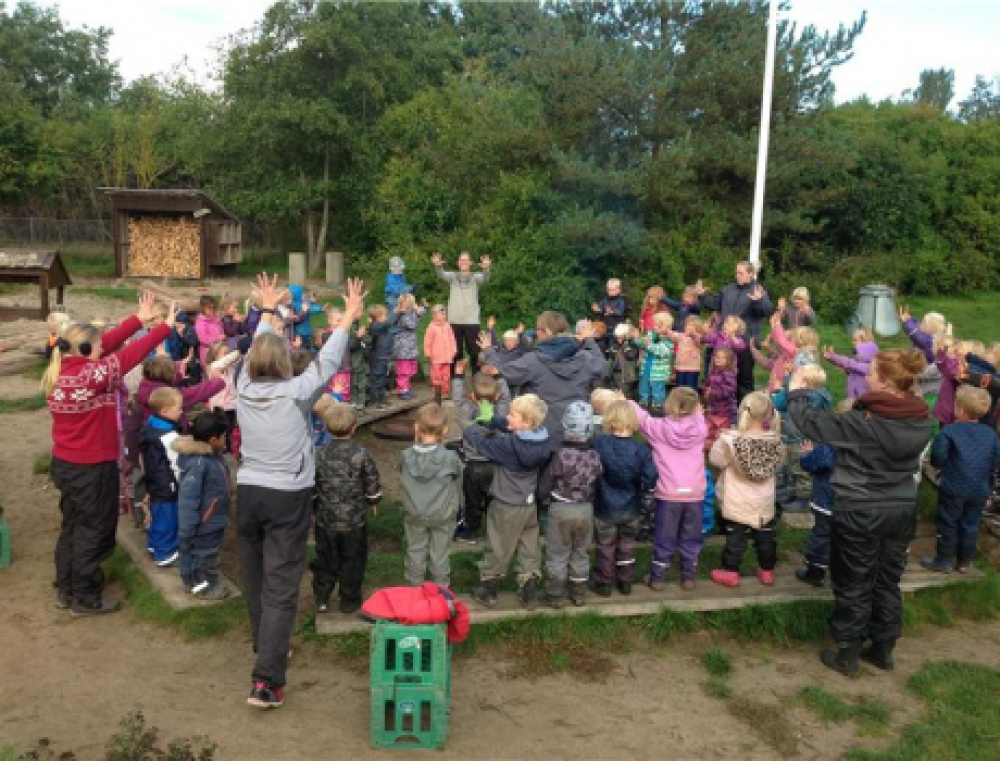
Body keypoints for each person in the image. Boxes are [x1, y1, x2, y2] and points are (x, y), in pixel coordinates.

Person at [236, 273, 364, 709]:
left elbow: (257, 347)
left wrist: (268, 312)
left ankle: (266, 645)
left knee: (254, 576)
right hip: (286, 496)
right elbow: (327, 363)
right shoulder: (296, 392)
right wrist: (346, 317)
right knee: (280, 583)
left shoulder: (241, 383)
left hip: (249, 492)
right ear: (286, 364)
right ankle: (266, 681)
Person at [787, 349, 934, 677]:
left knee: (853, 580)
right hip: (901, 509)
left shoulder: (863, 423)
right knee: (887, 579)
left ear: (883, 381)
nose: (865, 376)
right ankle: (883, 649)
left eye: (871, 372)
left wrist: (797, 390)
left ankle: (848, 653)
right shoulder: (921, 418)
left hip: (861, 510)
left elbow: (812, 423)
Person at [44, 292, 175, 616]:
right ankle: (85, 597)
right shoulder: (90, 378)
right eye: (99, 346)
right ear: (87, 351)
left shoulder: (62, 371)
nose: (105, 347)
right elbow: (128, 357)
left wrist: (138, 320)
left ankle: (67, 586)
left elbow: (107, 346)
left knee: (73, 525)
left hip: (65, 463)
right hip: (91, 467)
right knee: (95, 530)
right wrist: (163, 329)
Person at [464, 394, 551, 610]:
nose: (508, 418)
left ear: (527, 422)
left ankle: (489, 590)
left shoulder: (508, 446)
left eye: (512, 415)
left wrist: (472, 426)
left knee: (497, 546)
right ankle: (528, 591)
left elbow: (482, 444)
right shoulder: (542, 439)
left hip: (506, 504)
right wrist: (495, 420)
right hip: (528, 504)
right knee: (529, 546)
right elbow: (514, 430)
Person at [481, 311, 606, 446]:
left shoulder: (533, 361)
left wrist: (488, 351)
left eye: (537, 329)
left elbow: (504, 372)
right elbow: (602, 368)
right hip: (578, 435)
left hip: (541, 436)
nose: (536, 333)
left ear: (543, 332)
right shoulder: (585, 358)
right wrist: (589, 341)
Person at [632, 387, 708, 591]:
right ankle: (688, 577)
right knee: (691, 536)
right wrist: (697, 412)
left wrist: (627, 402)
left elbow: (642, 419)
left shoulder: (659, 429)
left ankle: (657, 578)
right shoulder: (701, 428)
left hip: (669, 493)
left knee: (665, 536)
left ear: (670, 404)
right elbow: (698, 416)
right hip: (694, 493)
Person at [920, 387, 1000, 573]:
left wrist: (940, 465)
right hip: (980, 488)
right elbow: (996, 460)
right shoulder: (990, 434)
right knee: (971, 523)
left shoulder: (949, 432)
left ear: (960, 409)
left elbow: (938, 457)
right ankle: (965, 562)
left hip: (953, 485)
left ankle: (944, 560)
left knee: (948, 521)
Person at [709, 392, 784, 588]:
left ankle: (730, 572)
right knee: (766, 537)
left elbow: (715, 461)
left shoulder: (731, 442)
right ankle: (767, 571)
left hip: (737, 501)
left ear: (743, 412)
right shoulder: (776, 441)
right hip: (764, 502)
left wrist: (720, 439)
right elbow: (778, 466)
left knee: (736, 539)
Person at [311, 403, 381, 614]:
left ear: (325, 426)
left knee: (325, 558)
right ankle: (349, 600)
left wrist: (313, 505)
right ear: (354, 426)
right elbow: (371, 481)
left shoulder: (319, 453)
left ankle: (322, 597)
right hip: (354, 521)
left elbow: (312, 483)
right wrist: (373, 500)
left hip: (326, 520)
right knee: (353, 560)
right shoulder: (361, 453)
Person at [537, 402, 603, 608]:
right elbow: (599, 478)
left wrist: (541, 497)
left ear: (565, 427)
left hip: (561, 509)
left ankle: (555, 594)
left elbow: (547, 482)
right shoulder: (595, 456)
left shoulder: (561, 455)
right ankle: (578, 592)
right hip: (585, 509)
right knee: (580, 551)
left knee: (557, 552)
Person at [591, 400, 658, 597]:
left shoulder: (600, 444)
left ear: (609, 420)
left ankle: (605, 581)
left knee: (606, 545)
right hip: (631, 507)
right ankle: (625, 580)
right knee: (627, 545)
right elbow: (650, 476)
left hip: (605, 506)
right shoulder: (642, 451)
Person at [794, 399, 855, 587]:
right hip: (852, 502)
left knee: (821, 536)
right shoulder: (864, 443)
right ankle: (846, 572)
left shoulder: (829, 443)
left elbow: (814, 464)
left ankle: (815, 572)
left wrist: (806, 454)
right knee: (848, 537)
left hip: (827, 501)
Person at [401, 403, 463, 588]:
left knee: (415, 550)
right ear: (445, 431)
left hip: (414, 513)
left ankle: (414, 590)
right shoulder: (450, 458)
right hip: (442, 514)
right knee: (440, 553)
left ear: (416, 428)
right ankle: (441, 592)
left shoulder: (405, 456)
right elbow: (459, 475)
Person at [695, 260, 774, 401]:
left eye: (741, 273)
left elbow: (766, 311)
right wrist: (702, 296)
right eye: (736, 272)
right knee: (720, 375)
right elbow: (715, 303)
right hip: (724, 339)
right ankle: (720, 409)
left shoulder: (758, 290)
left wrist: (758, 301)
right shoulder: (728, 289)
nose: (737, 275)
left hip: (745, 340)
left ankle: (744, 409)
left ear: (751, 274)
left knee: (744, 378)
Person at [175, 411, 231, 599]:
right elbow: (188, 499)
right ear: (214, 439)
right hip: (204, 522)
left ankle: (192, 583)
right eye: (224, 436)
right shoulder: (199, 463)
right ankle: (204, 588)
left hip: (211, 519)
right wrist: (187, 528)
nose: (226, 440)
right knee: (205, 557)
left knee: (199, 554)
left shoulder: (212, 457)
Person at [452, 363, 510, 544]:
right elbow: (506, 397)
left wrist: (458, 376)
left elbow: (458, 400)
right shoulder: (501, 413)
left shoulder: (467, 413)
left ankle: (470, 531)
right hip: (496, 465)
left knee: (472, 500)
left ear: (472, 397)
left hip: (473, 465)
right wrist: (499, 375)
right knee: (495, 499)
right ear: (497, 397)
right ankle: (497, 531)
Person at [138, 387, 184, 566]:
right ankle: (165, 554)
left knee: (156, 515)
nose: (181, 411)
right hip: (167, 484)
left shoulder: (149, 426)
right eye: (178, 408)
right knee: (168, 518)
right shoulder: (169, 436)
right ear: (165, 410)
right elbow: (175, 463)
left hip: (152, 479)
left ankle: (154, 545)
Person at [432, 250, 491, 373]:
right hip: (454, 321)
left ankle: (477, 378)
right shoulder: (453, 277)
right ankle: (456, 378)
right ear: (458, 263)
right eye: (461, 260)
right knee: (455, 351)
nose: (463, 262)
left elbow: (485, 279)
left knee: (475, 352)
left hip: (472, 321)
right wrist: (437, 265)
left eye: (466, 260)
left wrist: (486, 268)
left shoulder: (475, 277)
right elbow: (440, 274)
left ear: (470, 263)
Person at [633, 312, 675, 412]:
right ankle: (644, 400)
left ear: (666, 327)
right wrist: (637, 339)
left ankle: (658, 404)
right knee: (644, 385)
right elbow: (643, 342)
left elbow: (661, 352)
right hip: (647, 368)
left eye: (658, 325)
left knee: (658, 389)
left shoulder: (669, 339)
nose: (654, 327)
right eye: (654, 324)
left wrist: (649, 345)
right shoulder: (651, 334)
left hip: (658, 372)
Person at [823, 328, 879, 400]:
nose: (853, 343)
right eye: (853, 340)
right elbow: (845, 364)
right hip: (852, 397)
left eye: (855, 340)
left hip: (862, 400)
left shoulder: (869, 366)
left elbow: (849, 363)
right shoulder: (857, 362)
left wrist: (834, 357)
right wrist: (831, 358)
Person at [390, 294, 425, 401]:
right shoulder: (402, 315)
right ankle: (402, 389)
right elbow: (412, 325)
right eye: (409, 304)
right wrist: (417, 313)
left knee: (410, 369)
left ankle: (406, 387)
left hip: (409, 346)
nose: (411, 306)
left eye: (412, 303)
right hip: (403, 347)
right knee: (403, 369)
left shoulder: (410, 313)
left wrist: (418, 311)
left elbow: (420, 315)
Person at [704, 347, 738, 452]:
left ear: (729, 361)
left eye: (723, 358)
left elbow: (729, 391)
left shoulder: (729, 374)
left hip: (725, 411)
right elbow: (709, 384)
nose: (718, 359)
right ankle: (711, 447)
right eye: (717, 357)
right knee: (711, 429)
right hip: (713, 408)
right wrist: (706, 390)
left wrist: (712, 393)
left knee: (723, 432)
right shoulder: (714, 372)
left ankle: (722, 450)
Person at [423, 304, 457, 404]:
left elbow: (452, 338)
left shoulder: (447, 325)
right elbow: (427, 341)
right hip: (436, 356)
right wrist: (428, 352)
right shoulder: (431, 327)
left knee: (446, 374)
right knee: (436, 374)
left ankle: (445, 391)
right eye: (441, 313)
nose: (443, 315)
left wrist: (453, 349)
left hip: (447, 355)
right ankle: (437, 389)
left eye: (444, 313)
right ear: (434, 315)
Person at [367, 304, 392, 409]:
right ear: (376, 317)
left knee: (382, 378)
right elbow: (388, 323)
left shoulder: (383, 327)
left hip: (384, 356)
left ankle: (381, 397)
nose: (386, 318)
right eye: (384, 316)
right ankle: (375, 399)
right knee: (376, 378)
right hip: (377, 357)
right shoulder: (375, 326)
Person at [591, 278, 628, 343]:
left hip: (616, 325)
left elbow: (620, 311)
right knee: (601, 336)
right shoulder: (605, 299)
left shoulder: (621, 300)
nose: (610, 292)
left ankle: (613, 348)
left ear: (619, 290)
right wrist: (597, 309)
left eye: (612, 290)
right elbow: (601, 308)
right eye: (609, 290)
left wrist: (612, 311)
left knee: (613, 338)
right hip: (605, 324)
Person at [194, 295, 226, 366]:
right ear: (203, 308)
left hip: (218, 351)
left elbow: (221, 330)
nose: (212, 310)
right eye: (209, 308)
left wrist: (222, 336)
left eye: (213, 308)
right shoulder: (200, 322)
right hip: (207, 353)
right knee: (210, 375)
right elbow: (203, 339)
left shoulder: (215, 319)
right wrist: (217, 338)